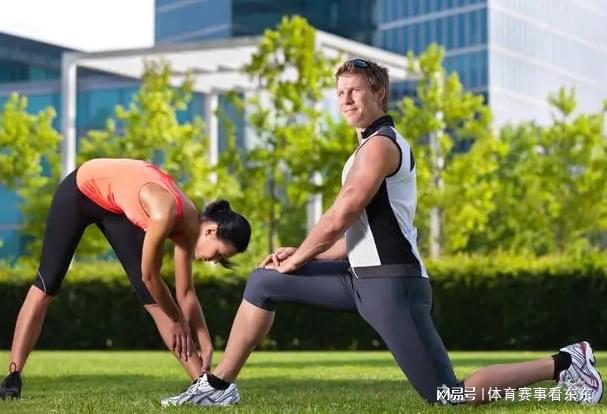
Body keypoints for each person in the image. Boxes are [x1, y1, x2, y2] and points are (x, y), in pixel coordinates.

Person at [162, 58, 603, 407]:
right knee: (263, 282)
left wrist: (299, 260)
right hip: (359, 279)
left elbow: (343, 211)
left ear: (379, 93)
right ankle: (217, 385)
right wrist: (304, 254)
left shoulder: (381, 145)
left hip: (393, 284)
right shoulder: (362, 150)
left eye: (354, 91)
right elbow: (355, 236)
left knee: (447, 395)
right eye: (340, 93)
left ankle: (567, 363)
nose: (346, 99)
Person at [0, 158, 251, 400]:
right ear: (211, 230)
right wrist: (177, 319)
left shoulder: (189, 232)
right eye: (218, 253)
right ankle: (13, 376)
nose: (213, 260)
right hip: (80, 190)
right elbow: (149, 275)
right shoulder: (165, 213)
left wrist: (205, 344)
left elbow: (186, 294)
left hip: (115, 207)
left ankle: (203, 386)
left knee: (155, 301)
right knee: (47, 284)